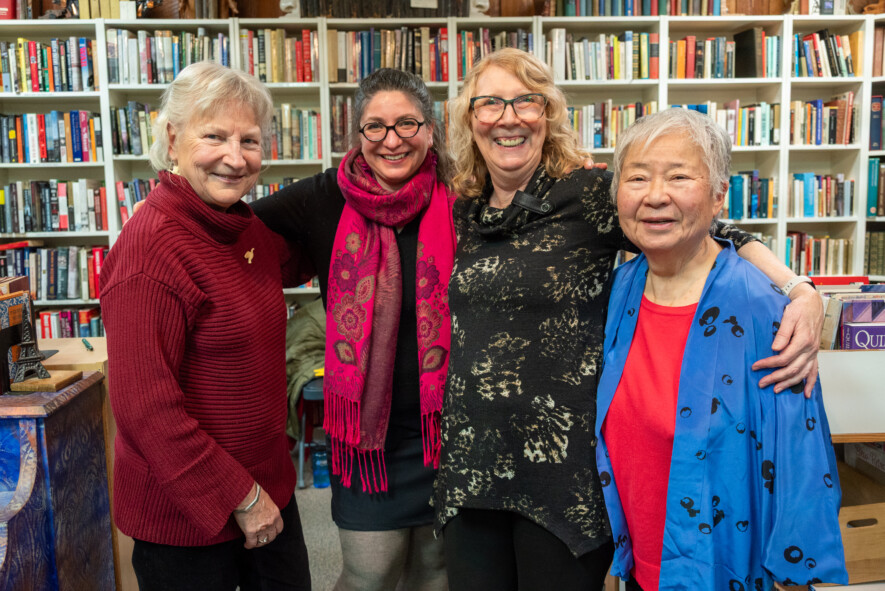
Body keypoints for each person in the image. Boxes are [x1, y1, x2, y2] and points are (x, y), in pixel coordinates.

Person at [433, 47, 824, 591]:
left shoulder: (589, 194)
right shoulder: (465, 209)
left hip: (560, 475)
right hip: (473, 461)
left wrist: (800, 289)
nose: (508, 116)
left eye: (526, 100)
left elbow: (709, 230)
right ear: (468, 117)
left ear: (547, 115)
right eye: (490, 102)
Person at [595, 107, 847, 591]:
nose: (655, 196)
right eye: (638, 177)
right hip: (640, 560)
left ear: (717, 198)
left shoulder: (763, 309)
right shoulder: (620, 288)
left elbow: (801, 456)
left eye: (679, 176)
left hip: (725, 567)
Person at [100, 61, 313, 591]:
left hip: (269, 492)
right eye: (214, 136)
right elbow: (145, 409)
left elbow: (301, 256)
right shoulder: (151, 250)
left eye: (250, 140)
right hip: (190, 521)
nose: (235, 158)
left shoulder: (244, 230)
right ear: (172, 139)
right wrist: (242, 498)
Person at [251, 68, 454, 591]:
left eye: (407, 124)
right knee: (369, 575)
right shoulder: (323, 196)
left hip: (450, 430)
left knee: (436, 574)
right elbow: (231, 224)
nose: (392, 140)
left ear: (431, 130)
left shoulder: (463, 196)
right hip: (368, 438)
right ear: (357, 134)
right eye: (376, 127)